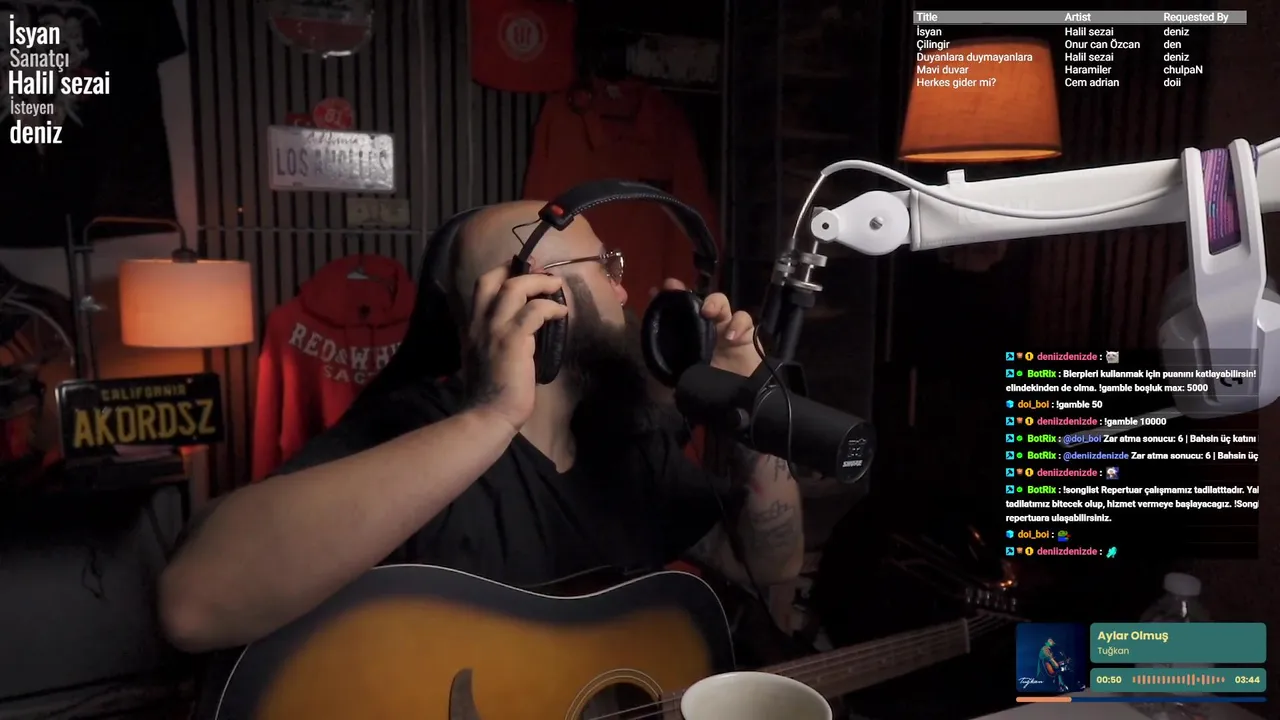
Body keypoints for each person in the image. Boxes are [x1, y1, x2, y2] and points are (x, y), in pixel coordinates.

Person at [157, 201, 804, 653]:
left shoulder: (625, 441)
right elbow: (192, 606)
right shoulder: (416, 427)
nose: (624, 291)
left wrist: (747, 410)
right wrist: (492, 417)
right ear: (536, 298)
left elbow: (772, 560)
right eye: (607, 267)